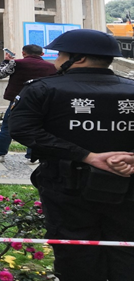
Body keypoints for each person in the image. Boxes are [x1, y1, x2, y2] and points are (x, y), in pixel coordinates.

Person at [9, 29, 134, 281]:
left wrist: (86, 156)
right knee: (127, 251)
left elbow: (22, 129)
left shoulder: (42, 89)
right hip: (127, 185)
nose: (56, 60)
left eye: (60, 55)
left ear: (78, 58)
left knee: (76, 254)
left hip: (66, 187)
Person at [0, 44, 57, 163]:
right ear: (42, 54)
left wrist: (6, 61)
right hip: (40, 101)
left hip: (18, 100)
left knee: (8, 127)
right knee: (37, 127)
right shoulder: (51, 67)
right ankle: (32, 157)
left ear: (23, 53)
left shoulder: (16, 63)